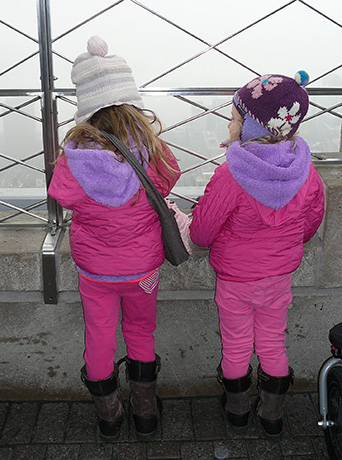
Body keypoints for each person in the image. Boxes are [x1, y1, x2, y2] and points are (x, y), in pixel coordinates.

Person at [48, 36, 181, 442]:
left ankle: (109, 417)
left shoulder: (73, 158)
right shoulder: (152, 151)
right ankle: (145, 415)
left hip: (96, 272)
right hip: (142, 269)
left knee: (99, 337)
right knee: (141, 332)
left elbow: (60, 193)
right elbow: (172, 175)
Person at [190, 71, 324, 440]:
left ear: (252, 126)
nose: (228, 123)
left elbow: (201, 232)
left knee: (236, 345)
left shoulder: (232, 172)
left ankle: (237, 412)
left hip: (235, 279)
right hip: (278, 276)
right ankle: (272, 416)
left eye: (234, 117)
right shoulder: (306, 171)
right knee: (272, 342)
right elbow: (310, 224)